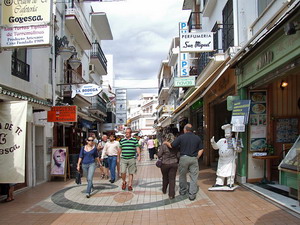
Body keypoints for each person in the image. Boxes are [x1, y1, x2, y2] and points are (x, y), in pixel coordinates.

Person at [164, 124, 203, 201]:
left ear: (185, 129)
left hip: (183, 158)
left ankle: (183, 191)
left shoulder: (181, 137)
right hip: (193, 159)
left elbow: (172, 145)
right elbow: (201, 149)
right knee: (193, 177)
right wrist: (197, 157)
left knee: (182, 175)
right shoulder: (197, 138)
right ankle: (192, 194)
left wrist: (166, 143)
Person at [157, 133, 179, 199]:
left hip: (165, 164)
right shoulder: (176, 145)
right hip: (174, 163)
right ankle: (171, 195)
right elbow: (178, 155)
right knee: (172, 179)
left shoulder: (163, 145)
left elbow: (159, 155)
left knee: (165, 177)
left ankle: (164, 190)